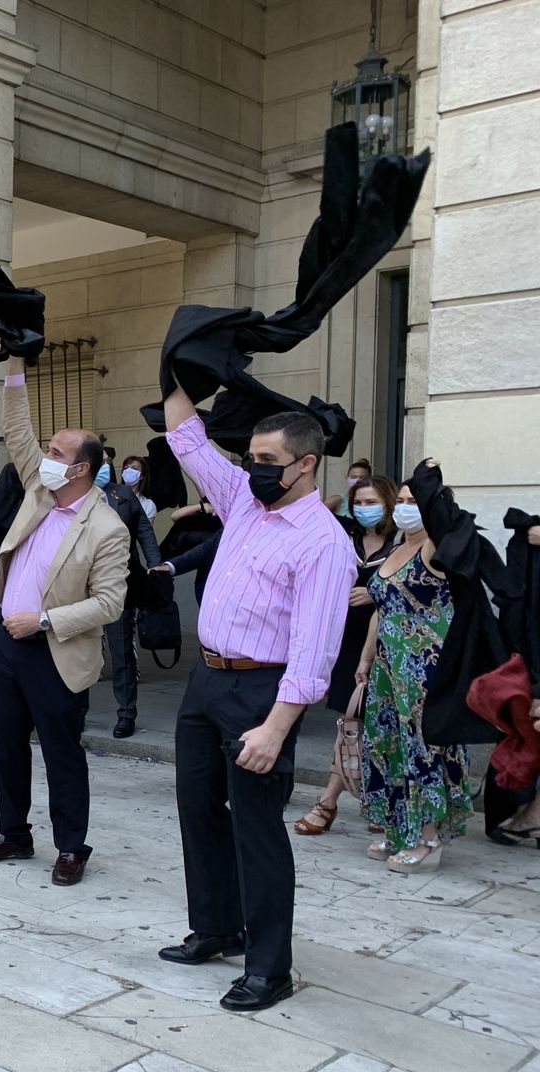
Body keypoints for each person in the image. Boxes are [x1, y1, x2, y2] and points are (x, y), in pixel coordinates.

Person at [156, 382, 353, 1013]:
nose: (255, 469)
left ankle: (270, 968)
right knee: (198, 808)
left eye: (269, 461)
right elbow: (186, 438)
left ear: (306, 465)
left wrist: (274, 728)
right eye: (252, 458)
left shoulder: (324, 542)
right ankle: (217, 928)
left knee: (257, 828)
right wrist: (184, 367)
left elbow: (314, 648)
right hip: (208, 679)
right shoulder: (242, 500)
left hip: (263, 691)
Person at [0, 360, 128, 886]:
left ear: (81, 468)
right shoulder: (40, 489)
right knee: (5, 744)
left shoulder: (107, 527)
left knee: (62, 753)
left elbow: (110, 603)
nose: (47, 458)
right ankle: (13, 832)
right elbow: (17, 428)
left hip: (56, 650)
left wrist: (44, 620)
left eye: (58, 453)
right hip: (9, 645)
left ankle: (71, 847)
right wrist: (15, 362)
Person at [356, 480, 473, 871]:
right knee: (386, 745)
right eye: (402, 501)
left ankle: (428, 837)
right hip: (390, 669)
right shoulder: (397, 547)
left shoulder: (434, 545)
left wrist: (430, 487)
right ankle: (399, 830)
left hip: (426, 669)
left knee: (424, 750)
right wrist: (366, 659)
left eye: (415, 501)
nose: (406, 508)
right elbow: (382, 608)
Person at [294, 475, 400, 834]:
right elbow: (323, 508)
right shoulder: (345, 536)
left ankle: (330, 801)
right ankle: (369, 800)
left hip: (384, 644)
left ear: (388, 504)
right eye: (360, 502)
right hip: (344, 641)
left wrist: (375, 593)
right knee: (352, 724)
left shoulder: (400, 541)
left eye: (372, 502)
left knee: (375, 726)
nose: (363, 509)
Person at [93, 459, 162, 738]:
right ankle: (77, 710)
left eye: (105, 463)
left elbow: (145, 531)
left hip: (119, 584)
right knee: (79, 651)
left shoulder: (122, 494)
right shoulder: (68, 495)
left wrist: (155, 565)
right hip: (80, 586)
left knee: (121, 650)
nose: (104, 467)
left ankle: (126, 714)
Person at [120, 455, 158, 520]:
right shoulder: (114, 497)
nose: (129, 471)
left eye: (134, 468)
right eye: (126, 468)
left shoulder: (148, 505)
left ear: (141, 475)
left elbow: (147, 529)